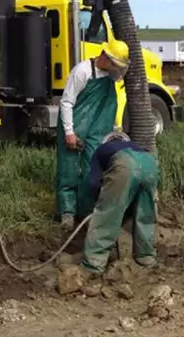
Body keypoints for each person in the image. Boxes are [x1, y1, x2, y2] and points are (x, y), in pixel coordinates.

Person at [55, 39, 130, 230]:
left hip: (98, 132)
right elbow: (66, 102)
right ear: (104, 56)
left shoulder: (111, 76)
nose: (115, 69)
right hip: (75, 126)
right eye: (114, 64)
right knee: (69, 170)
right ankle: (67, 213)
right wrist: (70, 132)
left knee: (92, 171)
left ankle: (87, 212)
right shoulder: (82, 71)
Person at [80, 130, 159, 274]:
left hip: (125, 164)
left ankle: (94, 263)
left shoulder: (101, 151)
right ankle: (146, 256)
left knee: (107, 212)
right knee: (145, 212)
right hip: (150, 164)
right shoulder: (135, 146)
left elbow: (93, 184)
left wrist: (100, 201)